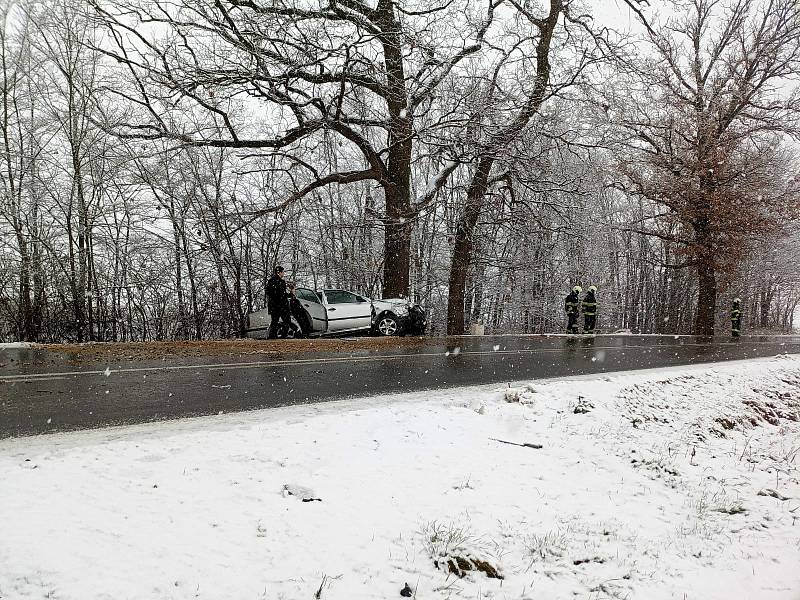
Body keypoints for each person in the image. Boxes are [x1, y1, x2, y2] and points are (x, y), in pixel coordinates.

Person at [266, 265, 291, 339]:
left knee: (275, 321)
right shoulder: (279, 282)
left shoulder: (271, 281)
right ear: (278, 273)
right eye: (283, 272)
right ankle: (283, 335)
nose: (283, 274)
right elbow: (281, 294)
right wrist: (289, 294)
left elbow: (269, 292)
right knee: (286, 321)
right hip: (280, 306)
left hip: (274, 306)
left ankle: (272, 336)